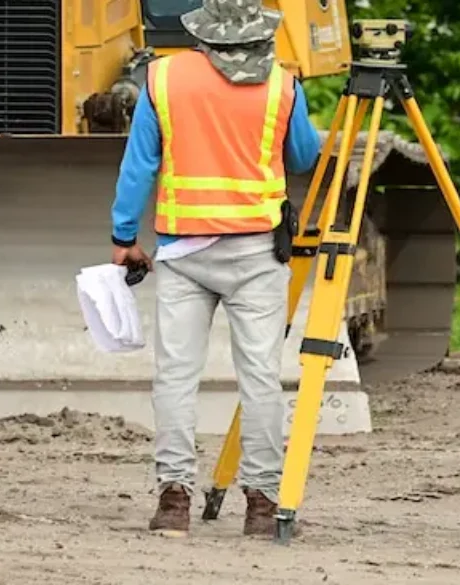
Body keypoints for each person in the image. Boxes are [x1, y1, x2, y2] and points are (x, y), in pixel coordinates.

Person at [108, 0, 322, 537]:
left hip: (184, 255)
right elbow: (303, 157)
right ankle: (263, 505)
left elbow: (139, 166)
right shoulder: (283, 85)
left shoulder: (162, 78)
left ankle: (174, 502)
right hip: (257, 256)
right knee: (260, 380)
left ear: (201, 33)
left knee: (176, 377)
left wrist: (123, 237)